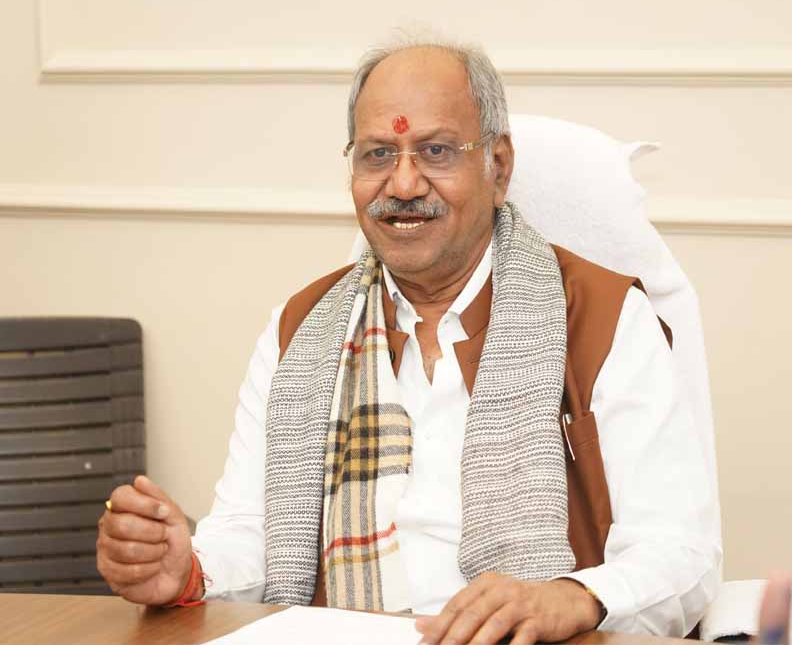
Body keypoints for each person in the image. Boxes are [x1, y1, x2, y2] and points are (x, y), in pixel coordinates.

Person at [97, 37, 721, 644]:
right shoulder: (300, 328)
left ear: (498, 168)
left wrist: (572, 597)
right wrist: (188, 569)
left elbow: (681, 553)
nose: (402, 185)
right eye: (377, 155)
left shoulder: (603, 317)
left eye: (436, 151)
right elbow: (251, 533)